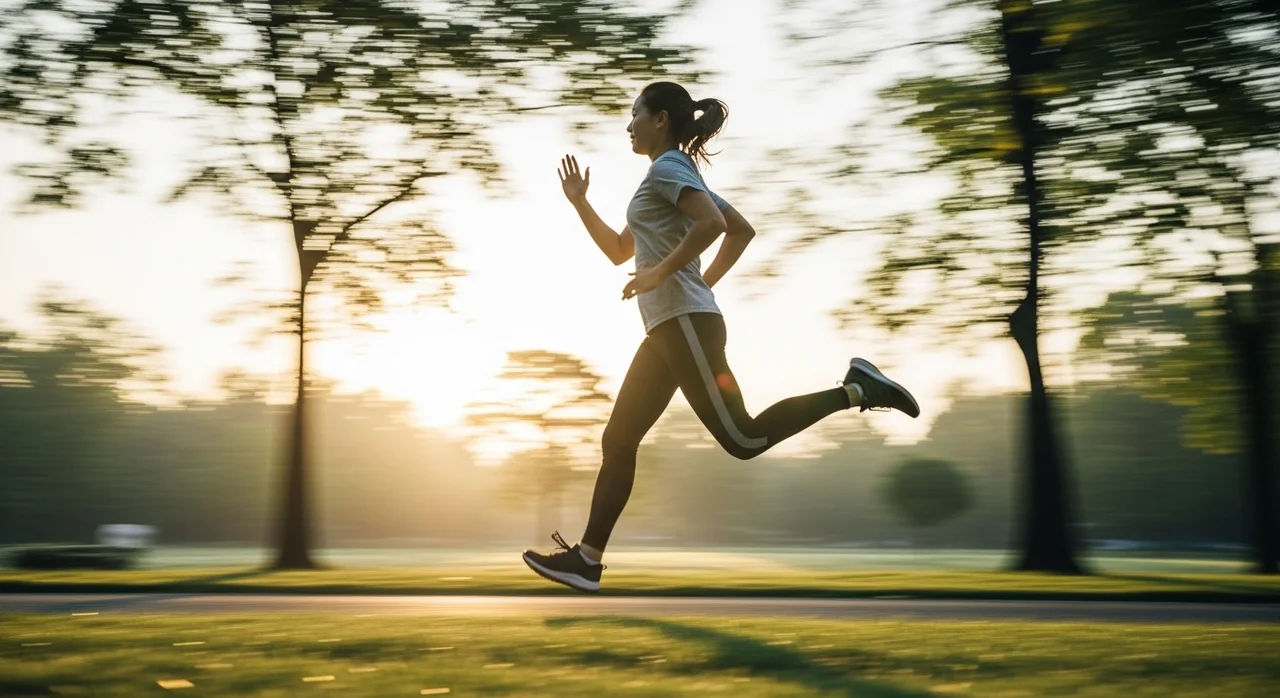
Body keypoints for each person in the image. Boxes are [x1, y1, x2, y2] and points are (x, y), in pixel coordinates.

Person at [522, 81, 920, 593]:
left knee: (743, 439)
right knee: (618, 440)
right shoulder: (666, 176)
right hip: (671, 326)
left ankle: (859, 389)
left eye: (635, 114)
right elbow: (626, 250)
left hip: (684, 323)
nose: (629, 125)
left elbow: (713, 224)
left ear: (660, 119)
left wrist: (666, 275)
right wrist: (581, 203)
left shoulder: (668, 169)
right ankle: (587, 560)